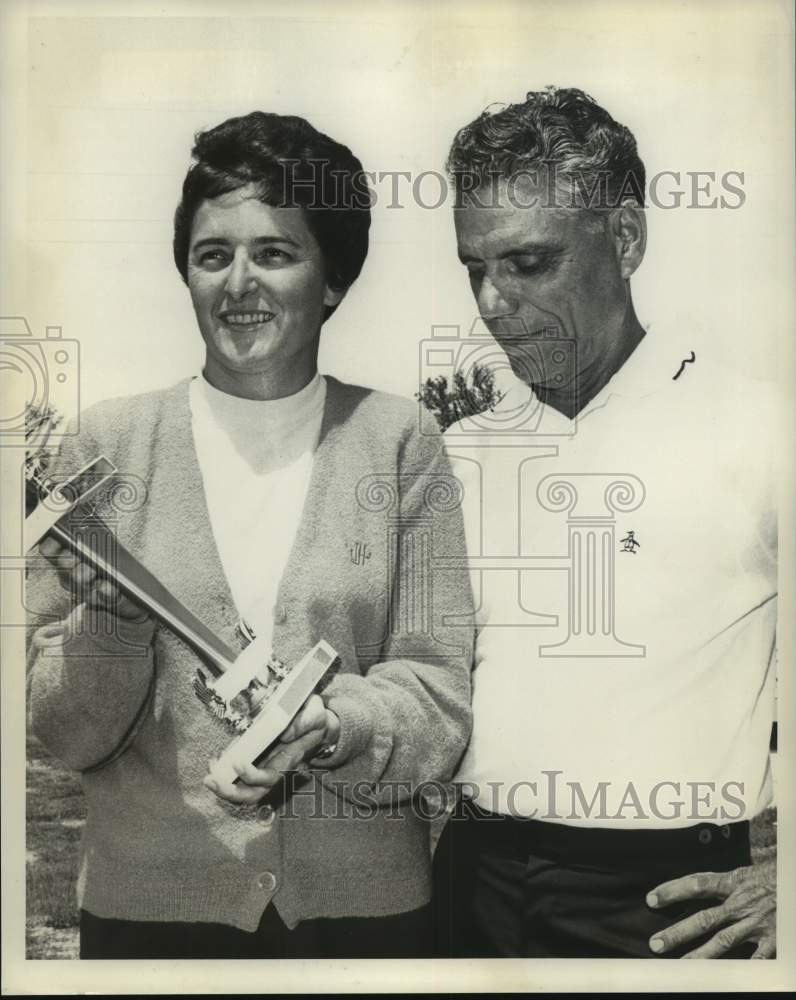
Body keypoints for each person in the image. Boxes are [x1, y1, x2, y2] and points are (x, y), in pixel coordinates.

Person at [25, 111, 473, 960]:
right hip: (150, 917)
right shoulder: (106, 451)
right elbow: (66, 734)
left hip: (364, 920)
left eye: (274, 252)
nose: (239, 284)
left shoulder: (400, 440)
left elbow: (438, 695)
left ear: (332, 277)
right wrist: (112, 625)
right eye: (212, 254)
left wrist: (333, 727)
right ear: (186, 274)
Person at [432, 86, 777, 959]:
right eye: (476, 266)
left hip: (664, 905)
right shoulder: (459, 455)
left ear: (623, 239)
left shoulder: (760, 429)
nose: (493, 300)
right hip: (471, 886)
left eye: (529, 263)